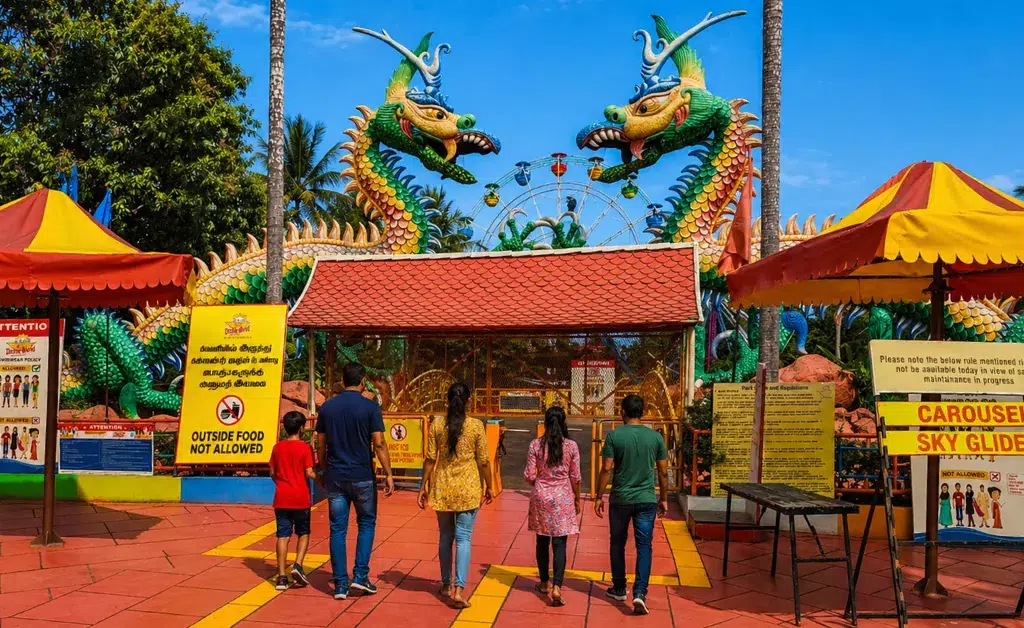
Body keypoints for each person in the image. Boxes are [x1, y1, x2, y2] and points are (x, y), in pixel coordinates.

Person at [316, 362, 394, 600]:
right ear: (362, 382)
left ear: (342, 380)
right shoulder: (370, 408)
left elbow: (320, 443)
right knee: (366, 523)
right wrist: (389, 473)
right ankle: (360, 577)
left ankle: (340, 584)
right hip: (362, 477)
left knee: (337, 528)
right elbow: (379, 443)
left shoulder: (328, 408)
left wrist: (324, 469)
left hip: (336, 477)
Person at [418, 382, 493, 609]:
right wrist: (490, 485)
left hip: (443, 487)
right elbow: (484, 460)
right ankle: (459, 589)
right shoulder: (476, 426)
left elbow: (430, 459)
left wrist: (423, 486)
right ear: (469, 400)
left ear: (447, 400)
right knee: (464, 538)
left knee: (445, 537)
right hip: (468, 488)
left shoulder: (437, 424)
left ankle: (445, 584)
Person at [595, 395, 668, 616]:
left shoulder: (614, 436)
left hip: (620, 499)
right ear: (642, 412)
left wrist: (599, 496)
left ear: (623, 411)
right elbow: (663, 471)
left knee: (617, 543)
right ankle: (640, 593)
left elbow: (607, 468)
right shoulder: (655, 438)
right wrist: (663, 498)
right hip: (646, 500)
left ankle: (619, 588)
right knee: (644, 546)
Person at [524, 406, 581, 607]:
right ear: (564, 422)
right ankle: (557, 587)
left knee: (541, 540)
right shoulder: (571, 446)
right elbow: (575, 476)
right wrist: (577, 498)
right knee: (560, 544)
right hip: (563, 497)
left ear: (546, 422)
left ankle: (543, 582)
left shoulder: (536, 445)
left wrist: (540, 483)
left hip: (541, 496)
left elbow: (529, 475)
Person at [269, 411, 316, 590]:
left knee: (283, 535)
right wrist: (321, 478)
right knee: (303, 532)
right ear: (302, 428)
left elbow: (272, 473)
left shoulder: (277, 448)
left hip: (281, 498)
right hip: (301, 498)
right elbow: (308, 472)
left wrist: (281, 483)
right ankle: (297, 564)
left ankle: (281, 576)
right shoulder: (305, 448)